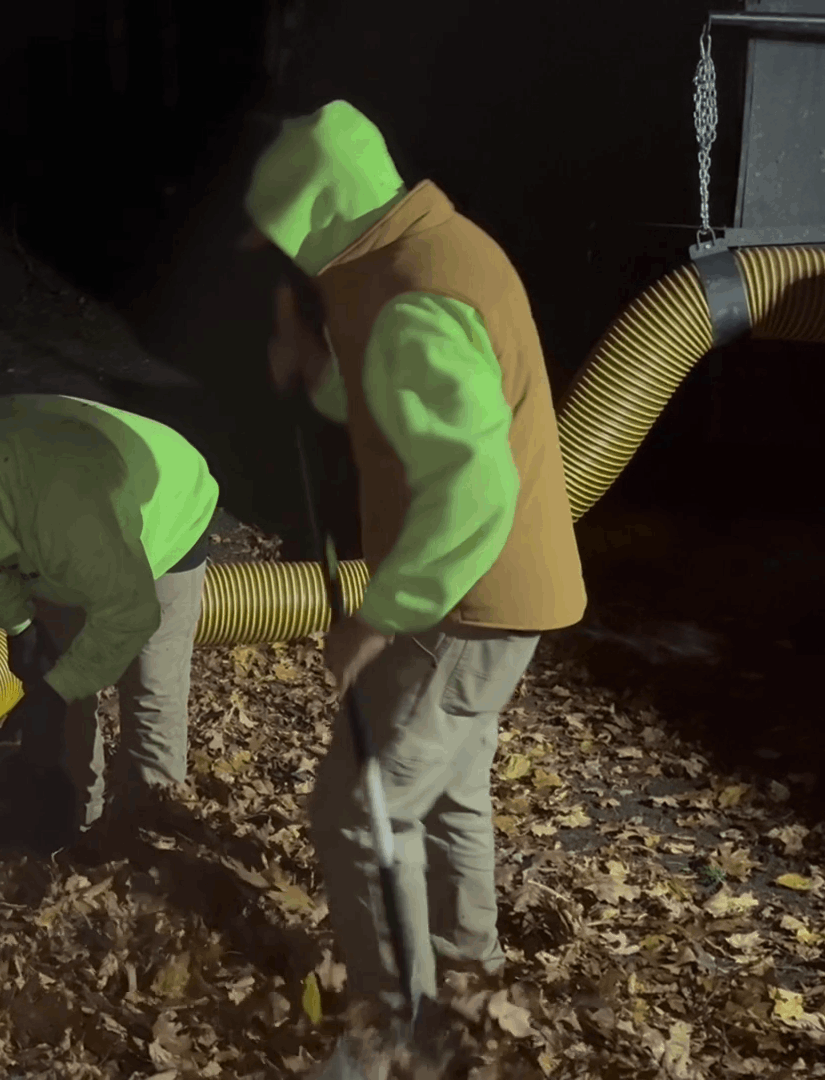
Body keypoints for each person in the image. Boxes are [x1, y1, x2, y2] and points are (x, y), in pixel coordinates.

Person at [240, 101, 587, 1062]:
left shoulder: (407, 300)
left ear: (317, 219)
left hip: (463, 601)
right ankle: (468, 984)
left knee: (360, 810)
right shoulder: (436, 246)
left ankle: (397, 1033)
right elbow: (400, 404)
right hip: (502, 596)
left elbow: (474, 487)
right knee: (454, 793)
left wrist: (376, 617)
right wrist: (314, 370)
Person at [0, 394, 221, 848]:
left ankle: (149, 837)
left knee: (150, 686)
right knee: (61, 695)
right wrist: (21, 627)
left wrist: (58, 686)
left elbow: (131, 616)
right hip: (53, 493)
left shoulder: (69, 523)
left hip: (167, 500)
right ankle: (71, 832)